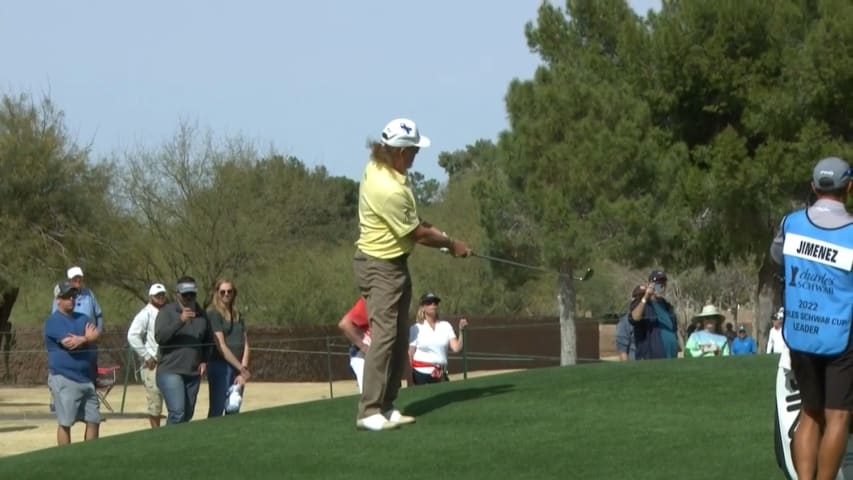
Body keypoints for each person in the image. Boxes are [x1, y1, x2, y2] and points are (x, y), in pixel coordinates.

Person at [353, 118, 472, 431]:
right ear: (401, 152)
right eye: (414, 150)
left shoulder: (383, 169)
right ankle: (369, 411)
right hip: (379, 266)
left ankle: (387, 404)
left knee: (399, 336)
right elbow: (417, 233)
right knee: (385, 336)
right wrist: (450, 243)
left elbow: (415, 222)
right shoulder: (388, 187)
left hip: (393, 263)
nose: (417, 155)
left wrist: (445, 242)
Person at [769, 156, 853, 479]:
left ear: (813, 187)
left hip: (802, 332)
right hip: (841, 336)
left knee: (810, 413)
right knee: (838, 417)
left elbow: (777, 257)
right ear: (849, 188)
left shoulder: (791, 223)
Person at [44, 280, 100, 445]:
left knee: (94, 419)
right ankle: (65, 458)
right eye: (67, 296)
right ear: (58, 300)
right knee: (66, 422)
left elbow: (96, 334)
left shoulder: (83, 318)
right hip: (64, 378)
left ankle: (90, 455)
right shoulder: (53, 321)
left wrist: (84, 338)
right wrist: (86, 338)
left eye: (73, 296)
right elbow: (70, 344)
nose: (71, 299)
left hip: (86, 378)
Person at [154, 276, 212, 425]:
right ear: (177, 294)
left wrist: (205, 360)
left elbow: (208, 340)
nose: (189, 297)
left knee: (187, 413)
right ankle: (167, 444)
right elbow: (160, 337)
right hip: (170, 370)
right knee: (177, 412)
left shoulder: (202, 314)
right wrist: (180, 321)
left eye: (192, 294)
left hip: (193, 372)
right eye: (185, 294)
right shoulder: (167, 311)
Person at [207, 279, 250, 418]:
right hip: (220, 366)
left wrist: (243, 368)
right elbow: (221, 346)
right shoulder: (213, 314)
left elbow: (246, 343)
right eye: (223, 291)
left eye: (229, 291)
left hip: (239, 368)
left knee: (233, 407)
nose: (226, 294)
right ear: (217, 293)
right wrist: (241, 369)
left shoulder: (238, 315)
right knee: (217, 409)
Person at [126, 283, 168, 428]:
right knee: (155, 403)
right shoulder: (146, 313)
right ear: (151, 297)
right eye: (157, 295)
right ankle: (156, 434)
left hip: (168, 361)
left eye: (162, 295)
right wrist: (146, 355)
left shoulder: (168, 311)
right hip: (154, 364)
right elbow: (132, 335)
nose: (161, 298)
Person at [408, 293, 467, 385]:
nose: (433, 305)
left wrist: (461, 331)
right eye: (429, 303)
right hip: (421, 373)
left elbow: (456, 348)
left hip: (441, 373)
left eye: (435, 303)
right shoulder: (416, 328)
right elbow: (411, 353)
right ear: (423, 307)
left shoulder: (445, 326)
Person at [628, 270, 679, 360]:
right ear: (649, 284)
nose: (660, 287)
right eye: (657, 284)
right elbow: (635, 318)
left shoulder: (667, 306)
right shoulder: (642, 303)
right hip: (651, 358)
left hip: (671, 356)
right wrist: (646, 297)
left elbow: (673, 329)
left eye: (663, 284)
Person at [337, 297, 371, 393]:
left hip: (382, 357)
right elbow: (345, 324)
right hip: (364, 358)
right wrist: (364, 347)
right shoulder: (369, 300)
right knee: (369, 396)